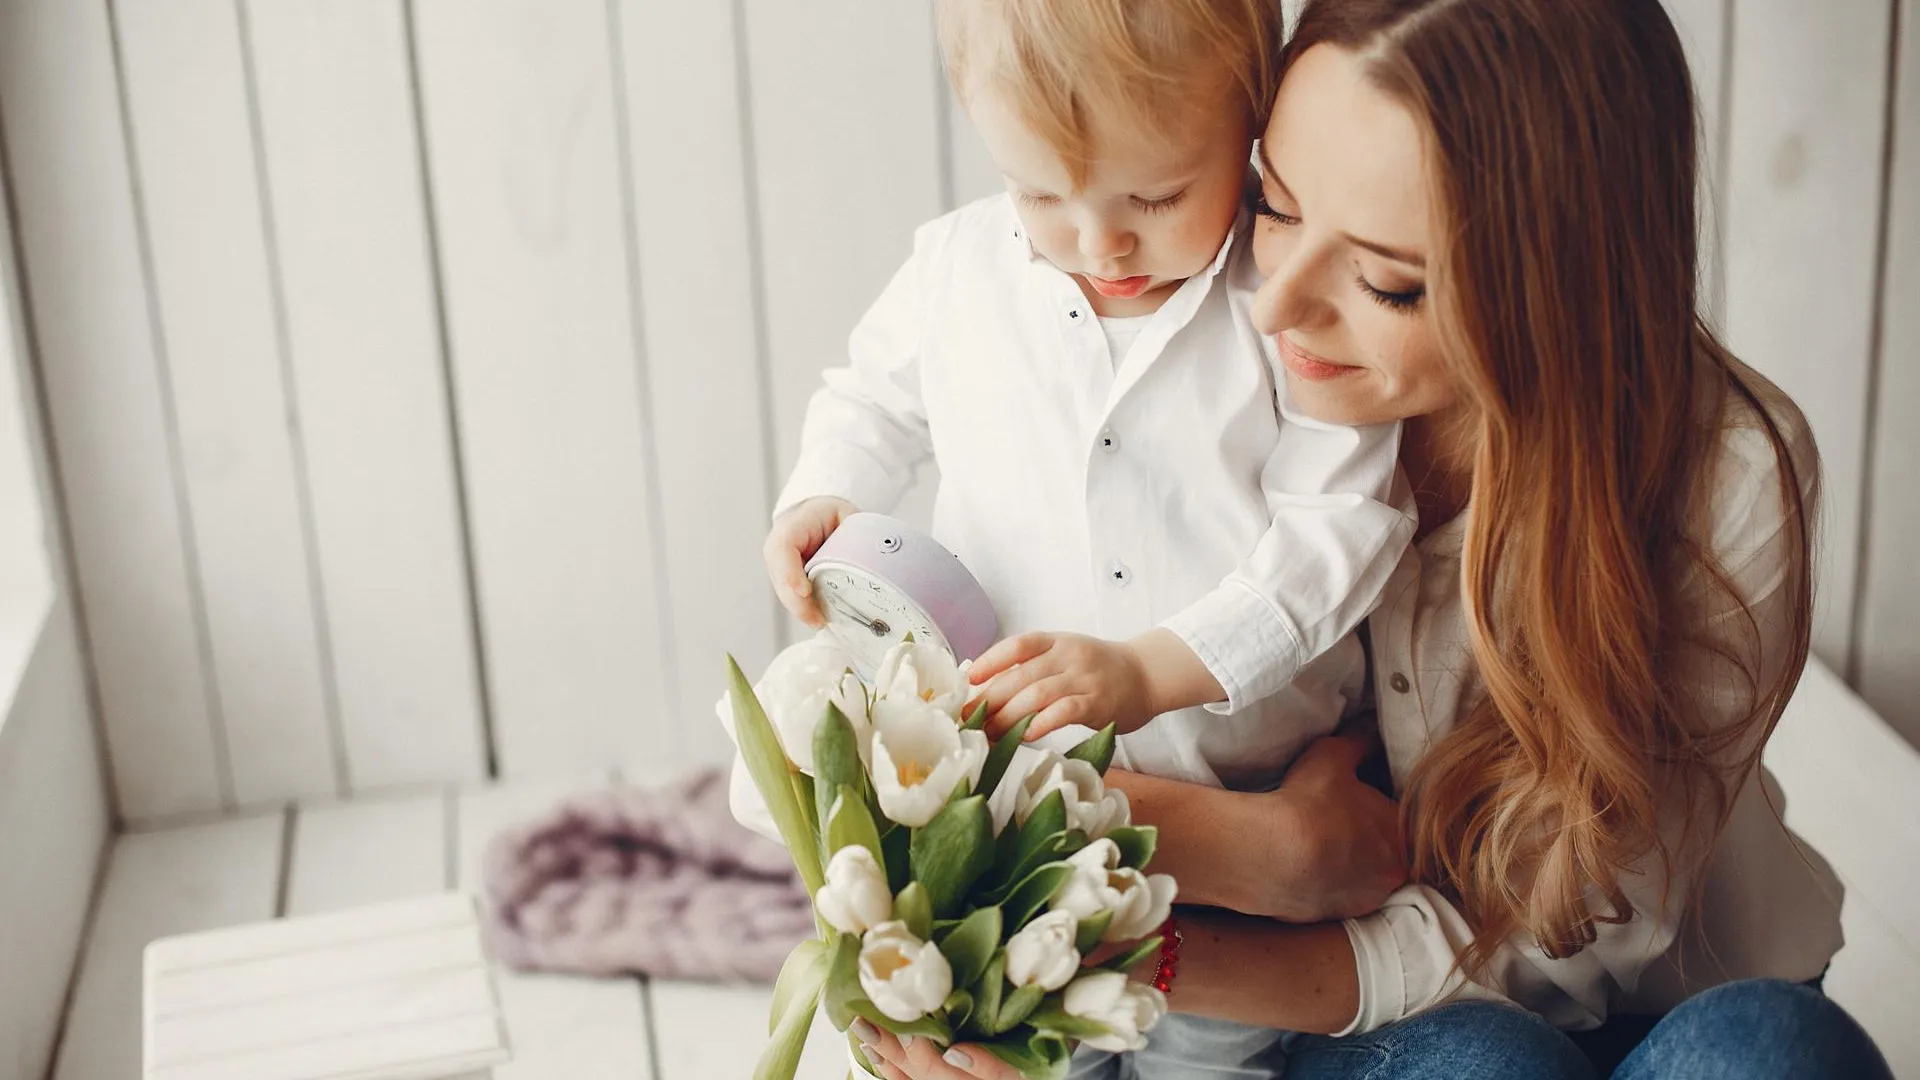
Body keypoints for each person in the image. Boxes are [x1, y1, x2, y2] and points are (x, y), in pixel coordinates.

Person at [859, 0, 1896, 1076]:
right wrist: (1229, 870)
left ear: (1552, 290)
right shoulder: (1205, 377)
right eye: (1274, 202)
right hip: (1368, 1006)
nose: (1272, 311)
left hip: (1621, 978)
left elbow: (1571, 940)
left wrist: (1201, 904)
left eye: (1387, 281)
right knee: (1480, 1067)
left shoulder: (1722, 475)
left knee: (1771, 1051)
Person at [761, 0, 1416, 791]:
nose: (1101, 242)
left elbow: (1338, 532)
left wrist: (1153, 671)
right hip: (1018, 762)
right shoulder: (956, 271)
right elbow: (869, 401)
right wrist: (825, 492)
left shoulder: (1293, 302)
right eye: (1038, 195)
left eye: (1158, 197)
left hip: (1254, 764)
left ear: (1254, 117)